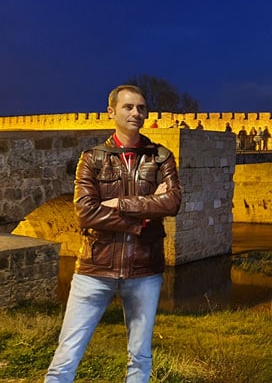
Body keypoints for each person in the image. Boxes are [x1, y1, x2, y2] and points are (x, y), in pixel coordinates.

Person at [45, 85, 182, 383]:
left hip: (144, 269)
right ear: (111, 111)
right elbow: (85, 213)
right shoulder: (91, 159)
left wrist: (121, 204)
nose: (136, 113)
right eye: (128, 107)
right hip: (94, 269)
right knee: (66, 355)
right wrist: (142, 216)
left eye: (141, 108)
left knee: (140, 356)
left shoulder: (160, 157)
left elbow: (172, 202)